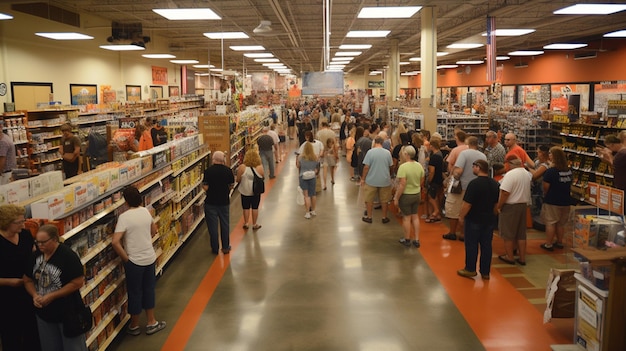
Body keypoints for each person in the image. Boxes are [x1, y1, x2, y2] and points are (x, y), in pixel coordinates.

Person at [111, 186, 166, 336]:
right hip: (149, 257)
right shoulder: (146, 212)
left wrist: (126, 258)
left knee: (134, 292)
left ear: (126, 201)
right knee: (149, 290)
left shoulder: (124, 217)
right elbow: (154, 230)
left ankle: (134, 325)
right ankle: (151, 322)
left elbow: (115, 242)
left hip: (134, 262)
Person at [23, 224, 87, 351]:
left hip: (68, 313)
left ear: (54, 239)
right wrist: (35, 295)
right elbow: (27, 279)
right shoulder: (36, 256)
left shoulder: (68, 256)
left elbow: (77, 282)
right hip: (44, 314)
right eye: (37, 242)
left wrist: (52, 296)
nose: (40, 245)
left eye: (43, 242)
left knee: (73, 347)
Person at [0, 205, 40, 351]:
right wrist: (10, 282)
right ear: (6, 222)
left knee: (33, 332)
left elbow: (35, 256)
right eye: (19, 222)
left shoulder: (25, 235)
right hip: (6, 298)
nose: (23, 225)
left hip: (29, 291)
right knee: (12, 336)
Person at [457, 159, 500, 280]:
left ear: (478, 167)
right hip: (489, 220)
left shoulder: (474, 184)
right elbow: (496, 204)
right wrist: (493, 215)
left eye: (473, 166)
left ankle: (470, 269)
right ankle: (485, 271)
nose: (472, 169)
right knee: (487, 246)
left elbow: (467, 204)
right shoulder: (495, 184)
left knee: (471, 245)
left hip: (474, 219)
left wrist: (461, 216)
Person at [443, 136, 486, 241]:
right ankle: (463, 234)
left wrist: (451, 179)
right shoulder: (483, 156)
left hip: (461, 186)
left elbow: (458, 171)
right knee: (469, 210)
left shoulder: (464, 154)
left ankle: (452, 232)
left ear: (468, 144)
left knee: (454, 209)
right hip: (476, 187)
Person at [496, 155, 532, 266]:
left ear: (509, 164)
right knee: (521, 234)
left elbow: (505, 192)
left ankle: (509, 257)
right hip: (523, 205)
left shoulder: (510, 175)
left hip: (510, 206)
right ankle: (522, 258)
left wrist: (499, 206)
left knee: (508, 233)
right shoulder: (527, 174)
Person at [540, 147, 573, 251]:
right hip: (566, 201)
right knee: (561, 223)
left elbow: (546, 187)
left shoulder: (551, 172)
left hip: (552, 200)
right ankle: (559, 242)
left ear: (554, 156)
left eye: (550, 153)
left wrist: (545, 195)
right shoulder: (568, 171)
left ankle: (548, 244)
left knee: (550, 222)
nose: (549, 155)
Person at [202, 151, 235, 254]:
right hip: (224, 202)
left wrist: (210, 189)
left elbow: (205, 186)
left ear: (214, 159)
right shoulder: (228, 171)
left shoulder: (208, 171)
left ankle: (215, 248)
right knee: (225, 225)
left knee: (212, 227)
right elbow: (231, 185)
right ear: (223, 159)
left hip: (210, 202)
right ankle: (225, 247)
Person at [393, 146, 424, 248]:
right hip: (417, 194)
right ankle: (417, 239)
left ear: (406, 154)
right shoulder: (419, 166)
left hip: (406, 195)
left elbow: (402, 184)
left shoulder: (403, 167)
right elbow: (421, 180)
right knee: (415, 216)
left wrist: (396, 197)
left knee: (406, 218)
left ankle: (407, 239)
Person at [361, 136, 393, 224]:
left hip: (371, 180)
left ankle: (369, 217)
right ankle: (384, 217)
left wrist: (363, 178)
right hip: (384, 180)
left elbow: (366, 167)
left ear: (375, 142)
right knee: (384, 200)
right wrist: (389, 175)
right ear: (382, 143)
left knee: (369, 199)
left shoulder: (370, 152)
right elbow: (391, 166)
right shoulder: (387, 153)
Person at [236, 149, 264, 230]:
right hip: (256, 191)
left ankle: (246, 223)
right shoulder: (260, 167)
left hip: (245, 191)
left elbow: (238, 180)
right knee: (255, 207)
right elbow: (262, 177)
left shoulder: (242, 167)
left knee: (246, 207)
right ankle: (254, 224)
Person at [296, 142, 320, 219]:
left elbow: (298, 166)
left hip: (303, 177)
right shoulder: (315, 157)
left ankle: (307, 212)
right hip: (312, 176)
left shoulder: (300, 157)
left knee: (306, 195)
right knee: (313, 194)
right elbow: (317, 167)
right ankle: (313, 210)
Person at [426, 138, 444, 222]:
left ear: (432, 146)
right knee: (436, 197)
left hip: (434, 180)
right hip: (439, 179)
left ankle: (436, 211)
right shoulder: (440, 155)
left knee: (431, 197)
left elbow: (432, 171)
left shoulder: (433, 157)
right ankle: (438, 214)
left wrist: (429, 180)